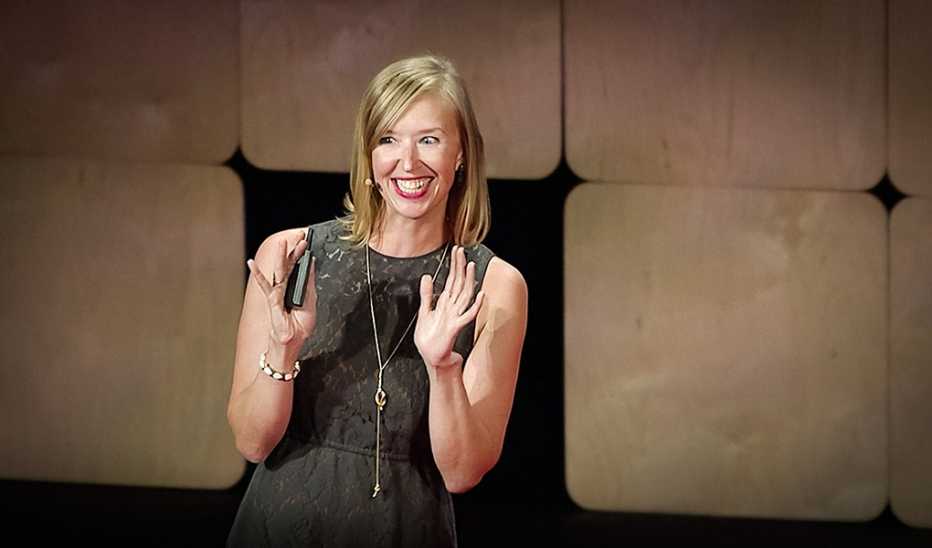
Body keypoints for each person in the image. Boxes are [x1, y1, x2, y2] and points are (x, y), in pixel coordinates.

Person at [226, 54, 528, 547]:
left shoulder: (495, 285)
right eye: (388, 139)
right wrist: (283, 347)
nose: (407, 163)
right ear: (368, 155)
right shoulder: (292, 255)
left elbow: (462, 472)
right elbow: (252, 442)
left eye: (428, 139)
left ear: (461, 154)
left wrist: (443, 367)